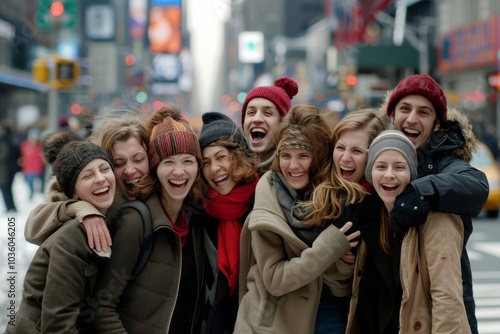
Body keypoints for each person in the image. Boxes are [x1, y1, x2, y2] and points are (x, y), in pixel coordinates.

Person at [235, 105, 362, 334]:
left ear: (319, 156)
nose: (293, 166)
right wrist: (329, 247)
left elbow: (342, 287)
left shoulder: (336, 198)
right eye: (286, 156)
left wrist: (344, 264)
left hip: (326, 315)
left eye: (303, 155)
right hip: (270, 323)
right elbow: (274, 280)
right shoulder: (269, 195)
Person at [383, 73, 489, 333]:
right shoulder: (376, 157)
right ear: (392, 116)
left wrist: (421, 191)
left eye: (424, 112)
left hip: (435, 316)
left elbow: (477, 185)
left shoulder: (445, 164)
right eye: (405, 109)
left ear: (437, 124)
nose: (411, 119)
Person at [91, 106, 205, 333]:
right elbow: (101, 306)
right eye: (169, 162)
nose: (179, 172)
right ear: (156, 167)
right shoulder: (135, 221)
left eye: (188, 161)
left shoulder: (197, 219)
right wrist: (81, 211)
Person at [346, 130, 470, 333]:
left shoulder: (437, 218)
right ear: (371, 173)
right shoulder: (370, 220)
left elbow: (448, 300)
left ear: (412, 174)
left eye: (399, 167)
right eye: (381, 166)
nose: (389, 174)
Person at [5, 132, 117, 334]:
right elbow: (58, 324)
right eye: (88, 175)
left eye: (104, 169)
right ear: (73, 192)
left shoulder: (105, 217)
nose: (101, 179)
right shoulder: (75, 234)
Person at [25, 112, 151, 253]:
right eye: (118, 163)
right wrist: (79, 209)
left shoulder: (166, 188)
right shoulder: (93, 194)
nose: (129, 170)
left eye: (139, 159)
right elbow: (33, 228)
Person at [197, 111, 259, 333]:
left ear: (238, 156)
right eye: (206, 162)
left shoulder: (265, 200)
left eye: (221, 157)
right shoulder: (196, 211)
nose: (214, 169)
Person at [241, 76, 299, 173]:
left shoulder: (297, 172)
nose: (257, 119)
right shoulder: (230, 175)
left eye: (267, 113)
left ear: (284, 123)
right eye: (251, 113)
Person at [20, 128, 45, 200]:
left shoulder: (39, 147)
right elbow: (21, 155)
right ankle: (31, 192)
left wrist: (39, 164)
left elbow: (42, 157)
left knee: (36, 182)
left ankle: (36, 194)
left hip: (36, 169)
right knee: (27, 182)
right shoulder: (24, 145)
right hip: (26, 168)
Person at [0, 122, 20, 212]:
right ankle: (10, 207)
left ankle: (10, 208)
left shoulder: (4, 140)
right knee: (6, 189)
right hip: (6, 170)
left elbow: (5, 155)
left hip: (5, 170)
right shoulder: (8, 139)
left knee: (6, 189)